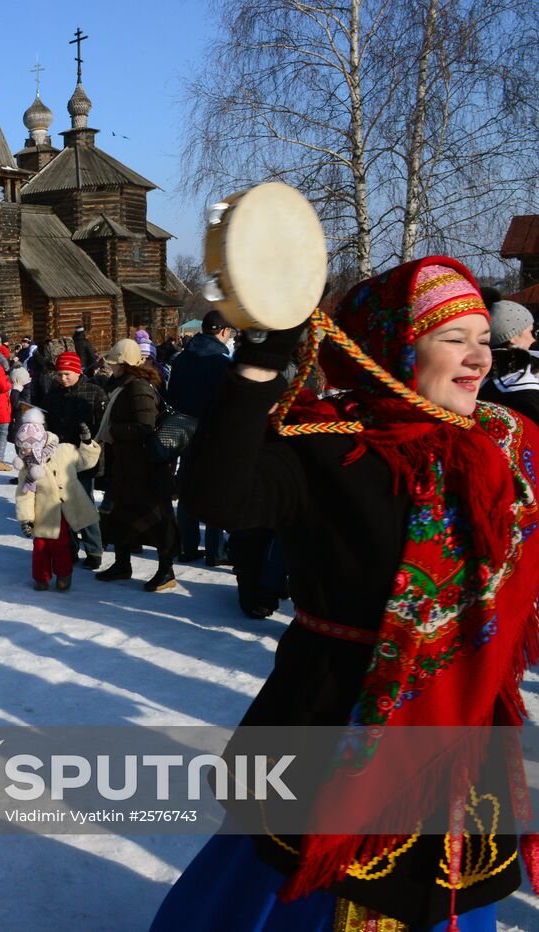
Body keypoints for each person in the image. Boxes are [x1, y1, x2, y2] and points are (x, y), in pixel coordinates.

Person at [154, 258, 539, 930]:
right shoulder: (330, 445)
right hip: (331, 722)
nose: (477, 357)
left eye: (483, 338)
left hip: (458, 732)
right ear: (395, 347)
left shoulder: (507, 446)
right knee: (281, 895)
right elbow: (221, 496)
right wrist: (260, 362)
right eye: (454, 339)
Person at [93, 338, 181, 591]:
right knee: (121, 515)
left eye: (114, 363)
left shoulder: (138, 387)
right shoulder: (123, 386)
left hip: (146, 469)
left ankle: (166, 571)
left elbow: (145, 425)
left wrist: (113, 431)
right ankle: (123, 564)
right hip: (127, 467)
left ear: (125, 364)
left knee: (157, 519)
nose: (110, 367)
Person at [166, 309, 237, 566]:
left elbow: (171, 395)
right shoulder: (221, 362)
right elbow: (229, 402)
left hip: (184, 430)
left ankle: (188, 545)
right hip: (213, 433)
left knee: (187, 488)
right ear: (224, 331)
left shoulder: (182, 359)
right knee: (214, 491)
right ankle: (216, 551)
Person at [14, 410, 100, 591]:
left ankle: (64, 575)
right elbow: (25, 494)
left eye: (28, 449)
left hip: (65, 507)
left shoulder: (64, 451)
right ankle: (41, 578)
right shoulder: (27, 467)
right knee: (40, 547)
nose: (26, 453)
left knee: (61, 545)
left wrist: (86, 442)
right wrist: (26, 518)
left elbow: (86, 461)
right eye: (23, 450)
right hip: (43, 511)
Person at [42, 351, 108, 569]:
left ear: (77, 371)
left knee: (84, 504)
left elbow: (102, 425)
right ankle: (69, 549)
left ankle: (94, 550)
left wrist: (89, 438)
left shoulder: (94, 392)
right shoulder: (54, 395)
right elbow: (48, 423)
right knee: (62, 505)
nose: (63, 378)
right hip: (59, 456)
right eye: (60, 374)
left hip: (84, 458)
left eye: (67, 373)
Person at [479, 299, 539, 425]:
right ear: (512, 337)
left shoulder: (481, 373)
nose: (533, 339)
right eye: (529, 332)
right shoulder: (519, 385)